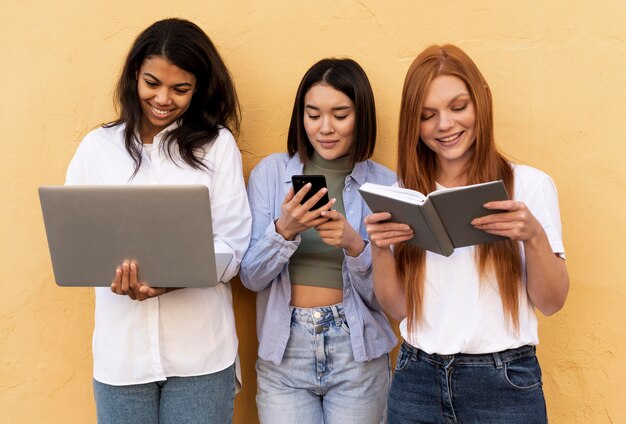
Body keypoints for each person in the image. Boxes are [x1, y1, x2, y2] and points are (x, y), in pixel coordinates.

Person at [364, 44, 569, 424]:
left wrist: (533, 237)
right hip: (416, 378)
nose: (444, 125)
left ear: (481, 102)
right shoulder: (406, 191)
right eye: (428, 115)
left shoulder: (528, 185)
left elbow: (552, 301)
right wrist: (380, 250)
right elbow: (399, 308)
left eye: (458, 107)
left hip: (504, 384)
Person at [65, 18, 251, 423]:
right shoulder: (97, 149)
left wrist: (175, 275)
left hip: (201, 354)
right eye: (152, 83)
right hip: (122, 356)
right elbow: (75, 238)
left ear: (198, 87)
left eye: (180, 89)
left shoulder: (216, 146)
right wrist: (112, 270)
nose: (164, 98)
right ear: (135, 75)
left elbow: (234, 245)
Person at [240, 58, 396, 423]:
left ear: (362, 117)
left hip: (357, 352)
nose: (325, 128)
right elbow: (250, 277)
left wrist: (356, 246)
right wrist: (285, 230)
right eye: (313, 115)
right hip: (284, 350)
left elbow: (385, 298)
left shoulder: (386, 186)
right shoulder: (271, 173)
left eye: (340, 115)